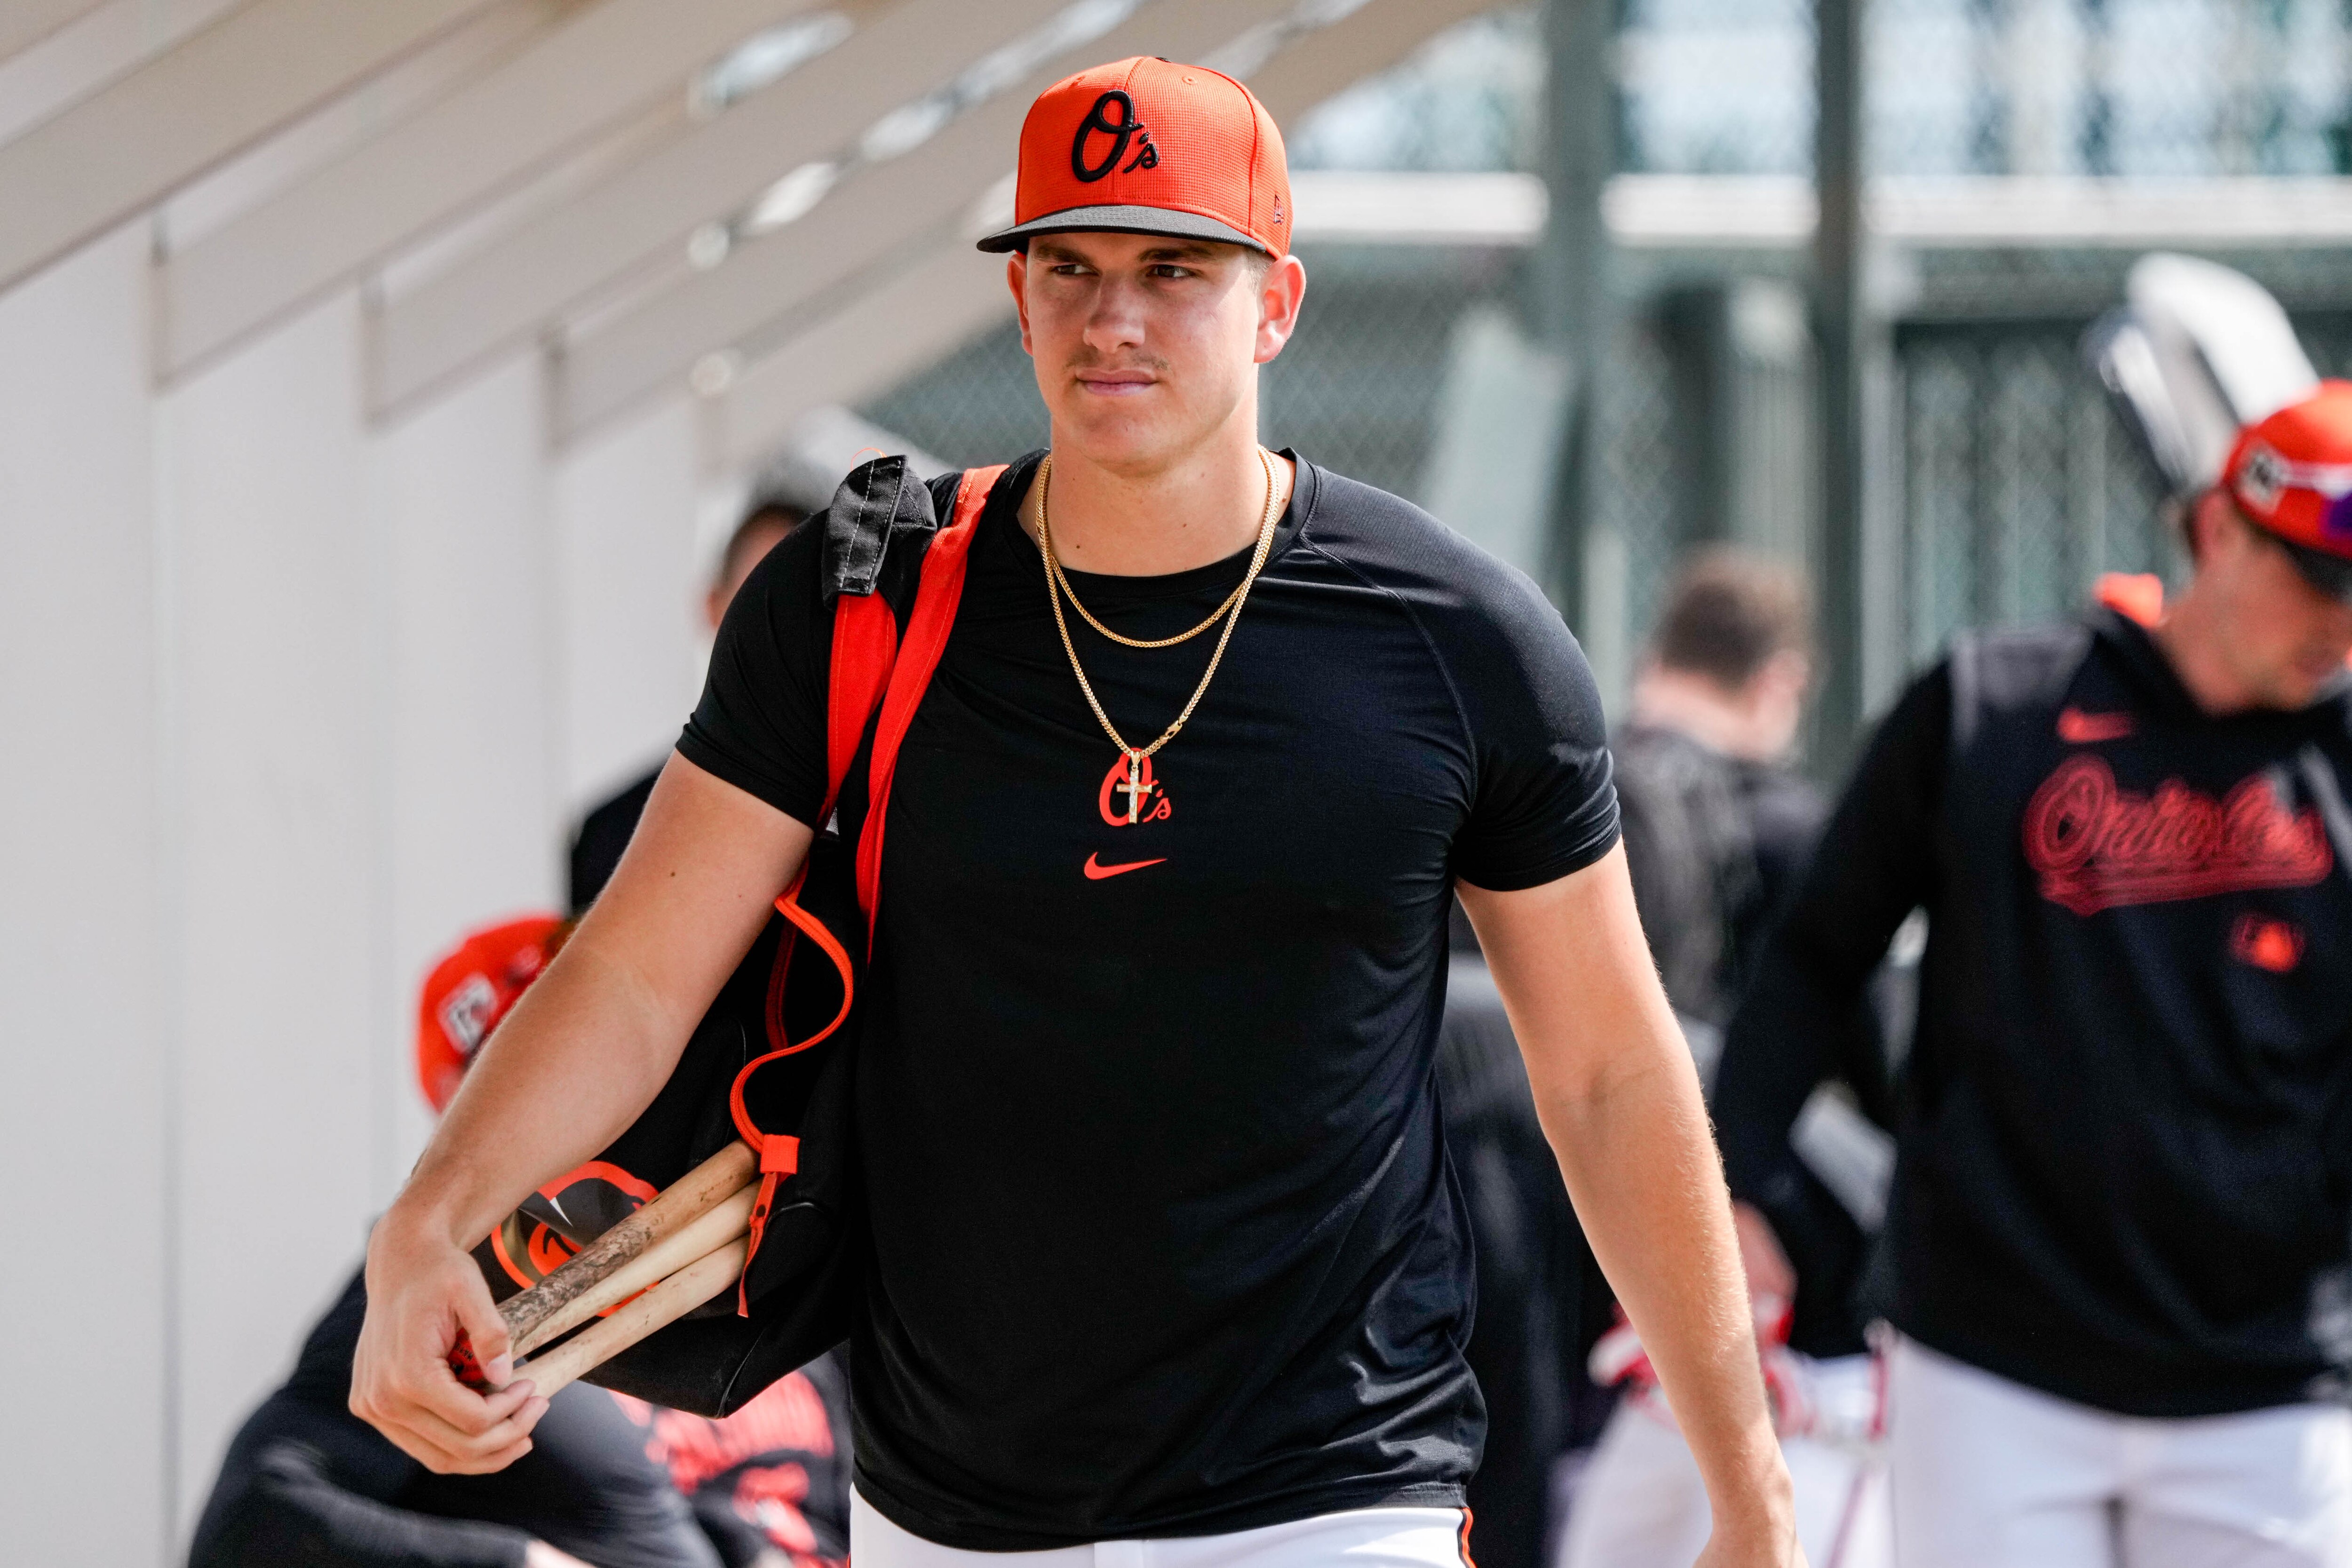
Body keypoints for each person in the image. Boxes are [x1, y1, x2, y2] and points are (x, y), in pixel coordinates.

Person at [350, 56, 1800, 1568]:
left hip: (1327, 1497)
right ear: (1020, 297)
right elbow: (634, 973)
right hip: (946, 1509)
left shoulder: (1453, 639)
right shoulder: (858, 603)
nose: (1112, 318)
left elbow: (1609, 1075)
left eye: (1174, 269)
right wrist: (428, 1220)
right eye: (1070, 268)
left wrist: (1742, 1481)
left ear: (1276, 303)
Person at [1717, 382, 2352, 1566]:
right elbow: (1816, 949)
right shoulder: (1995, 706)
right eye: (2319, 582)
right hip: (1998, 1354)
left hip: (2271, 1374)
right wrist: (1735, 1183)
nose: (2341, 625)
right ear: (2219, 528)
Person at [1562, 552, 1892, 1568]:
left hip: (1570, 1256)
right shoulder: (1800, 831)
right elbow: (1884, 1063)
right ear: (1779, 680)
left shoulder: (1553, 803)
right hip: (1770, 1305)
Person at [571, 501, 803, 916]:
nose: (777, 633)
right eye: (755, 603)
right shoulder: (611, 835)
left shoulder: (868, 829)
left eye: (798, 611)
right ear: (713, 605)